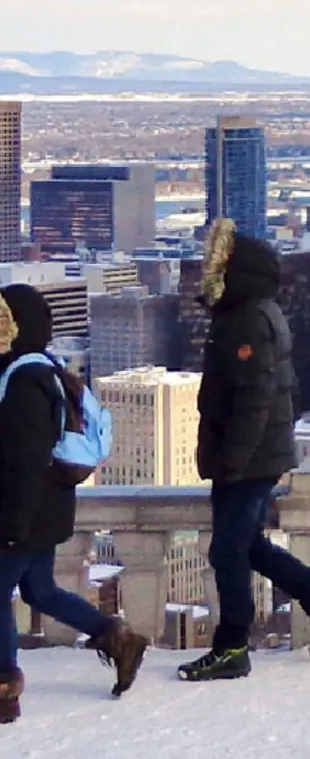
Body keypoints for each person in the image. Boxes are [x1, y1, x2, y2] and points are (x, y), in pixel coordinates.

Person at [178, 220, 310, 683]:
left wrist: (232, 460)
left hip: (249, 457)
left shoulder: (248, 320)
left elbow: (253, 399)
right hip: (258, 453)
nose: (207, 276)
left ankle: (233, 645)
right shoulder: (253, 312)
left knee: (227, 552)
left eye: (216, 268)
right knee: (247, 544)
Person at [0, 285, 149, 723]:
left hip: (22, 513)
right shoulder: (45, 369)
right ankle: (116, 637)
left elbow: (23, 462)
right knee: (39, 589)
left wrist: (10, 526)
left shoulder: (24, 383)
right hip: (46, 509)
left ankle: (4, 687)